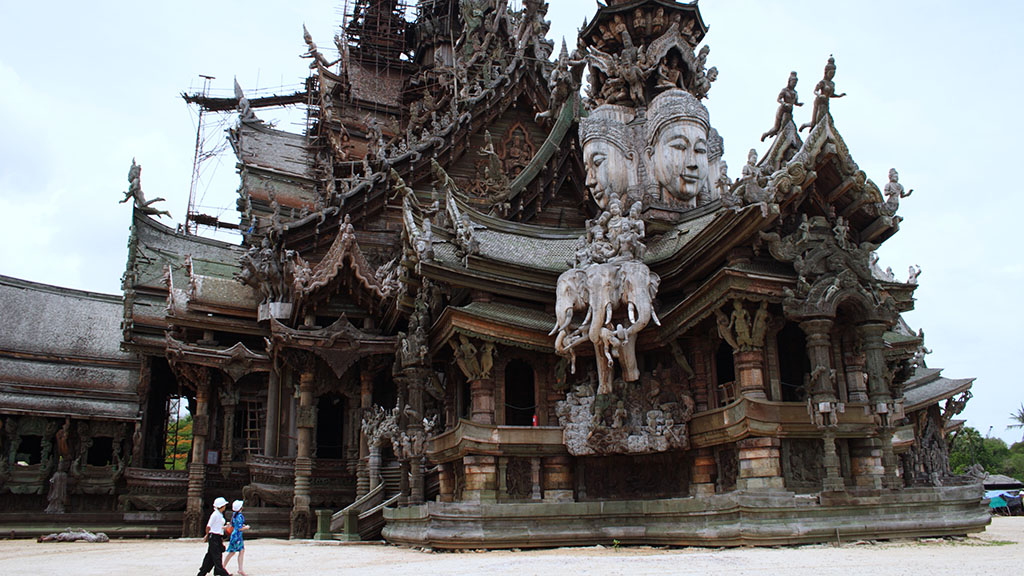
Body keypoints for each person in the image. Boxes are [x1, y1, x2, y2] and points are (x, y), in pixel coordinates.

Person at [196, 497, 231, 576]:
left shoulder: (219, 515)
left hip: (218, 537)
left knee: (211, 556)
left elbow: (218, 526)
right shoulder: (214, 515)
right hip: (214, 537)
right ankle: (222, 572)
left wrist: (226, 527)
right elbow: (208, 526)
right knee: (216, 556)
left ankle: (202, 573)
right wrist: (207, 535)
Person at [223, 500, 251, 576]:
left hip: (234, 534)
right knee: (233, 552)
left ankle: (239, 569)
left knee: (240, 550)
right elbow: (239, 528)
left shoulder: (234, 514)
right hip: (237, 535)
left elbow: (233, 524)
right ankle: (224, 567)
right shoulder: (240, 516)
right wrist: (246, 527)